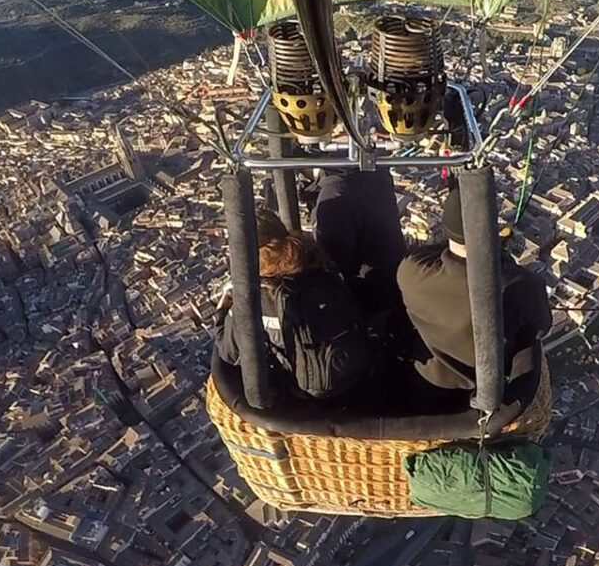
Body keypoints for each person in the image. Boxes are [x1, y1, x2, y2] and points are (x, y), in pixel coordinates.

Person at [396, 185, 552, 393]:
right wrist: (500, 257)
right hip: (480, 393)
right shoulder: (522, 285)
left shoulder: (410, 271)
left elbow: (430, 252)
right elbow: (541, 328)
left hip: (422, 378)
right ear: (490, 227)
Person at [216, 209, 371, 401]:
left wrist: (224, 310)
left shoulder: (259, 295)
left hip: (314, 392)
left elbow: (228, 352)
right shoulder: (315, 257)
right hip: (359, 365)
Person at [306, 169, 407, 311]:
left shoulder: (335, 194)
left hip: (366, 294)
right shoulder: (376, 175)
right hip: (391, 281)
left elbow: (334, 262)